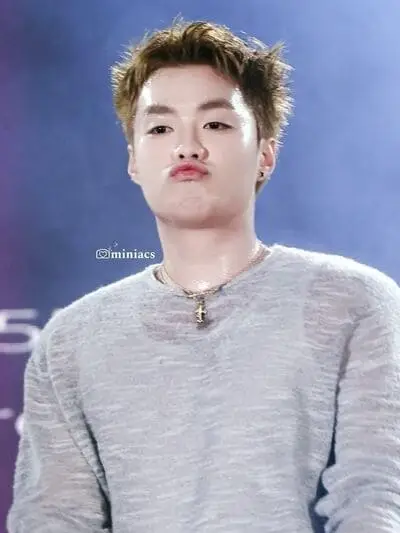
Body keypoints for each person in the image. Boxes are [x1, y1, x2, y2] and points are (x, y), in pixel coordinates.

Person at [7, 17, 400, 533]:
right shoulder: (71, 341)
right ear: (133, 160)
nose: (187, 147)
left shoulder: (354, 301)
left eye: (215, 124)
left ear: (265, 154)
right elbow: (53, 517)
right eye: (160, 128)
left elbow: (375, 495)